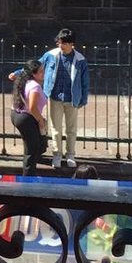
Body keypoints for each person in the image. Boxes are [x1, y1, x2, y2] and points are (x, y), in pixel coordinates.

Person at [9, 29, 89, 169]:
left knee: (71, 129)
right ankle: (57, 154)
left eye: (64, 43)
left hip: (72, 98)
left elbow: (85, 81)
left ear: (71, 44)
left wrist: (83, 99)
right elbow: (34, 66)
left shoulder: (80, 60)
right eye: (59, 42)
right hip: (55, 97)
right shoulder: (51, 55)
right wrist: (17, 73)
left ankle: (70, 154)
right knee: (55, 128)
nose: (61, 45)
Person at [10, 58, 49, 176]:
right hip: (27, 118)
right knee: (31, 151)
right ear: (33, 74)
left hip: (16, 114)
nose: (44, 73)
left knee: (36, 145)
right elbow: (32, 107)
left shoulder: (23, 81)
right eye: (41, 71)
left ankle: (34, 164)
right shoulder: (35, 87)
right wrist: (40, 120)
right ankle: (28, 178)